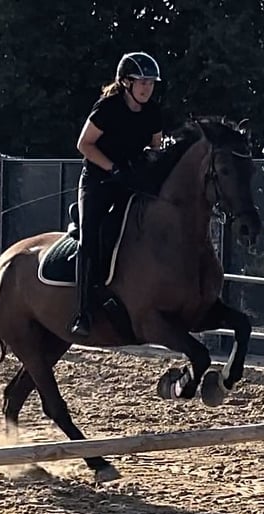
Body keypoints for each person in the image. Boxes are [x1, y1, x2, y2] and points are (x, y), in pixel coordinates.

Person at [69, 51, 164, 337]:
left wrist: (147, 170)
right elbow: (84, 145)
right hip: (98, 181)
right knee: (90, 239)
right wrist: (113, 169)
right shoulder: (107, 107)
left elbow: (156, 149)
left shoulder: (153, 112)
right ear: (125, 82)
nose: (147, 87)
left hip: (131, 183)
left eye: (151, 82)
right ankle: (83, 312)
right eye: (141, 81)